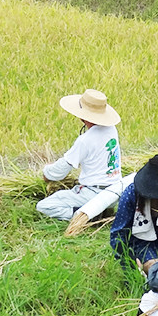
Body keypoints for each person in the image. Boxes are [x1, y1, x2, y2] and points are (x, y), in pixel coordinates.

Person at [38, 89, 122, 221]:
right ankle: (100, 210)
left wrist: (47, 173)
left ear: (82, 117)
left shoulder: (85, 140)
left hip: (94, 193)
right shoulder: (111, 129)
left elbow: (61, 170)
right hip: (115, 192)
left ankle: (86, 215)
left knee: (44, 206)